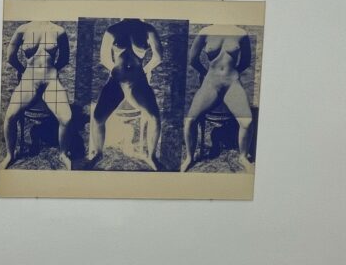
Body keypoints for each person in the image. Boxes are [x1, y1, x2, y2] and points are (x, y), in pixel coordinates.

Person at [87, 18, 163, 170]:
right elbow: (104, 59)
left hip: (137, 81)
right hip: (116, 81)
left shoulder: (148, 30)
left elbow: (158, 57)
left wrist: (145, 70)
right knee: (97, 117)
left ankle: (152, 157)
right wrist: (118, 72)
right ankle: (98, 153)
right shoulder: (112, 30)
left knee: (154, 117)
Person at [180, 25, 254, 172]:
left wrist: (232, 75)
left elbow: (246, 61)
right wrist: (206, 74)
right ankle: (189, 158)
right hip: (211, 83)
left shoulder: (241, 34)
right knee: (190, 121)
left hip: (231, 83)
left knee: (247, 121)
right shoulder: (205, 32)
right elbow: (193, 60)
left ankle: (243, 157)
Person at [0, 21, 72, 170]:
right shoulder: (22, 30)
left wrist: (51, 72)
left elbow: (64, 58)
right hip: (29, 81)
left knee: (66, 118)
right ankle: (10, 155)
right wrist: (24, 72)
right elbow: (10, 57)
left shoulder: (59, 31)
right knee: (10, 117)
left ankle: (63, 154)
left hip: (50, 81)